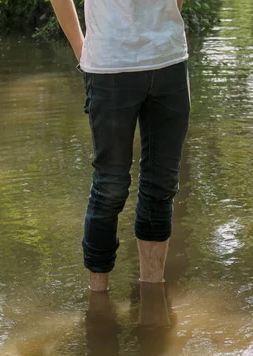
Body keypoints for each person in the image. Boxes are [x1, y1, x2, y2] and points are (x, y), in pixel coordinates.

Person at [50, 0, 191, 291]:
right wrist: (81, 47)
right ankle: (98, 303)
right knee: (109, 187)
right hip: (108, 64)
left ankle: (153, 295)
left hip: (169, 60)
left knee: (162, 186)